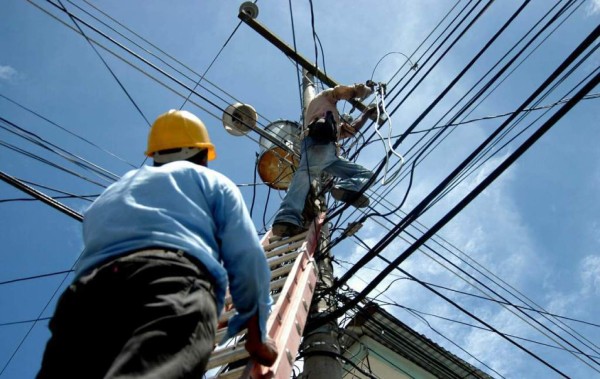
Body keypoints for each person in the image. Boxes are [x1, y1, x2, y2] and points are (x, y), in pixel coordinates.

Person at [37, 110, 278, 379]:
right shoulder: (212, 182)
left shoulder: (113, 191)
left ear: (154, 156)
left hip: (84, 298)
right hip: (170, 282)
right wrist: (258, 335)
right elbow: (247, 259)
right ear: (201, 155)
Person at [272, 82, 378, 238]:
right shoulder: (322, 99)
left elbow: (351, 130)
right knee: (306, 173)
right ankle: (287, 217)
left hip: (331, 154)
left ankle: (345, 188)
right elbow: (340, 92)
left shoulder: (334, 121)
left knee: (368, 175)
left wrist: (367, 114)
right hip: (317, 142)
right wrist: (362, 90)